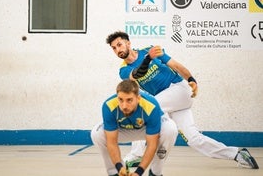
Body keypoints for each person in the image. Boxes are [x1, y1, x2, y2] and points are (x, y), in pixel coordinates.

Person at [105, 31, 259, 169]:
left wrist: (192, 79)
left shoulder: (149, 50)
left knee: (145, 108)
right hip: (171, 103)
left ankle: (136, 156)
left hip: (179, 90)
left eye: (119, 45)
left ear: (128, 43)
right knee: (194, 139)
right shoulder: (124, 70)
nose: (118, 50)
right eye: (114, 48)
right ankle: (237, 154)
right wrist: (148, 59)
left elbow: (176, 66)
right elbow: (138, 74)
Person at [91, 79, 178, 176]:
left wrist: (138, 172)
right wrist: (119, 166)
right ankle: (115, 172)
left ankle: (155, 172)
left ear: (138, 98)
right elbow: (111, 142)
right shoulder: (108, 105)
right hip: (122, 130)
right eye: (120, 100)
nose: (124, 106)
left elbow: (152, 144)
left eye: (129, 100)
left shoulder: (151, 105)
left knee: (170, 129)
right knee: (97, 133)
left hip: (145, 129)